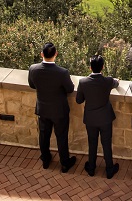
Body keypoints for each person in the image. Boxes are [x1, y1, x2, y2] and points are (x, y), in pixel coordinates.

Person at [27, 42, 77, 173]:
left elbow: (32, 85)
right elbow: (70, 89)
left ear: (42, 54)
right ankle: (65, 163)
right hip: (59, 110)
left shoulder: (33, 69)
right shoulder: (62, 72)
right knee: (61, 137)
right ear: (56, 54)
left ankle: (45, 159)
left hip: (43, 109)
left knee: (44, 135)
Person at [75, 54, 120, 179]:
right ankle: (109, 169)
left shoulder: (83, 82)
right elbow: (116, 84)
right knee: (106, 143)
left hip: (91, 118)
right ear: (103, 67)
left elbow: (79, 100)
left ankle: (91, 168)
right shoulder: (108, 81)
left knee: (92, 142)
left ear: (90, 68)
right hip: (105, 118)